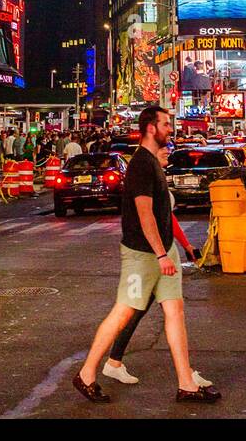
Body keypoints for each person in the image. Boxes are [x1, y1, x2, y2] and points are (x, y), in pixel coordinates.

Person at [74, 105, 220, 405]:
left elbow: (162, 213)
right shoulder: (141, 164)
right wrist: (160, 255)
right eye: (167, 124)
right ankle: (87, 374)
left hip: (161, 252)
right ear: (151, 128)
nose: (171, 129)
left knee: (175, 312)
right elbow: (144, 214)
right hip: (143, 257)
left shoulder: (152, 163)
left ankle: (186, 384)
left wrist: (171, 249)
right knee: (122, 313)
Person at [103, 150, 207, 388]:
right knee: (144, 311)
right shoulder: (145, 178)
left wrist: (186, 245)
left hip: (157, 256)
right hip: (149, 256)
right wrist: (161, 254)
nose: (166, 152)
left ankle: (114, 362)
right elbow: (149, 219)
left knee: (142, 311)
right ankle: (185, 376)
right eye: (162, 149)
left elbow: (169, 220)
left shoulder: (158, 179)